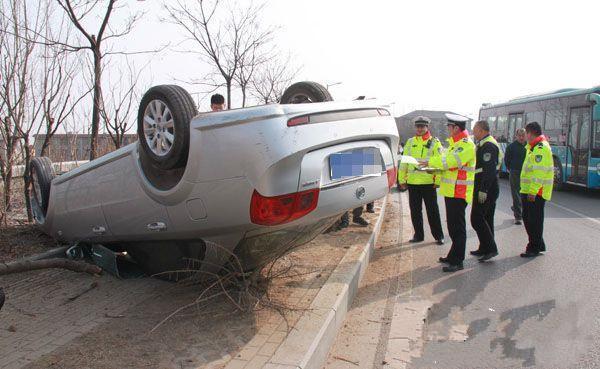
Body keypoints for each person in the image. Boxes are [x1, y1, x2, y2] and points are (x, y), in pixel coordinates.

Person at [420, 113, 476, 272]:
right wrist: (434, 171)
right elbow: (449, 167)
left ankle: (458, 261)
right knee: (452, 227)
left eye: (449, 127)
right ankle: (453, 255)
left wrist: (430, 162)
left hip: (459, 192)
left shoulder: (466, 144)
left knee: (457, 229)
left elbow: (451, 162)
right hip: (452, 191)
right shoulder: (455, 144)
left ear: (456, 128)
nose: (448, 130)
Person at [398, 115, 445, 245]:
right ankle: (418, 235)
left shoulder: (435, 142)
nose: (419, 129)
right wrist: (401, 179)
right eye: (418, 126)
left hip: (429, 183)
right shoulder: (410, 142)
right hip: (413, 183)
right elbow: (404, 163)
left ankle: (438, 236)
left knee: (433, 212)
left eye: (422, 126)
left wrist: (438, 180)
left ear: (427, 127)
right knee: (415, 211)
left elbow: (440, 163)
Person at [520, 121, 554, 257]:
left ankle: (534, 247)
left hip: (536, 192)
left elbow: (538, 173)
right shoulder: (533, 147)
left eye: (526, 133)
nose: (525, 136)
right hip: (530, 190)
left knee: (533, 220)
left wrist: (533, 191)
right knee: (530, 218)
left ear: (530, 133)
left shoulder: (540, 148)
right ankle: (538, 244)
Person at [469, 120, 500, 261]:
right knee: (487, 219)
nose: (473, 133)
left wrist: (483, 189)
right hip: (486, 187)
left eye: (475, 131)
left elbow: (489, 170)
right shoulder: (484, 144)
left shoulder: (489, 146)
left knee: (476, 219)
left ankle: (491, 248)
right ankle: (485, 247)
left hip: (486, 188)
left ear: (481, 130)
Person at [504, 128, 527, 224]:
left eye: (523, 136)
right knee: (516, 194)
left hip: (526, 173)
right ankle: (518, 217)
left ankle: (519, 209)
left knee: (524, 194)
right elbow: (506, 159)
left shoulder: (529, 146)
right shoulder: (511, 147)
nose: (521, 138)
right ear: (516, 136)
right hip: (515, 172)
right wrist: (510, 168)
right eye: (520, 136)